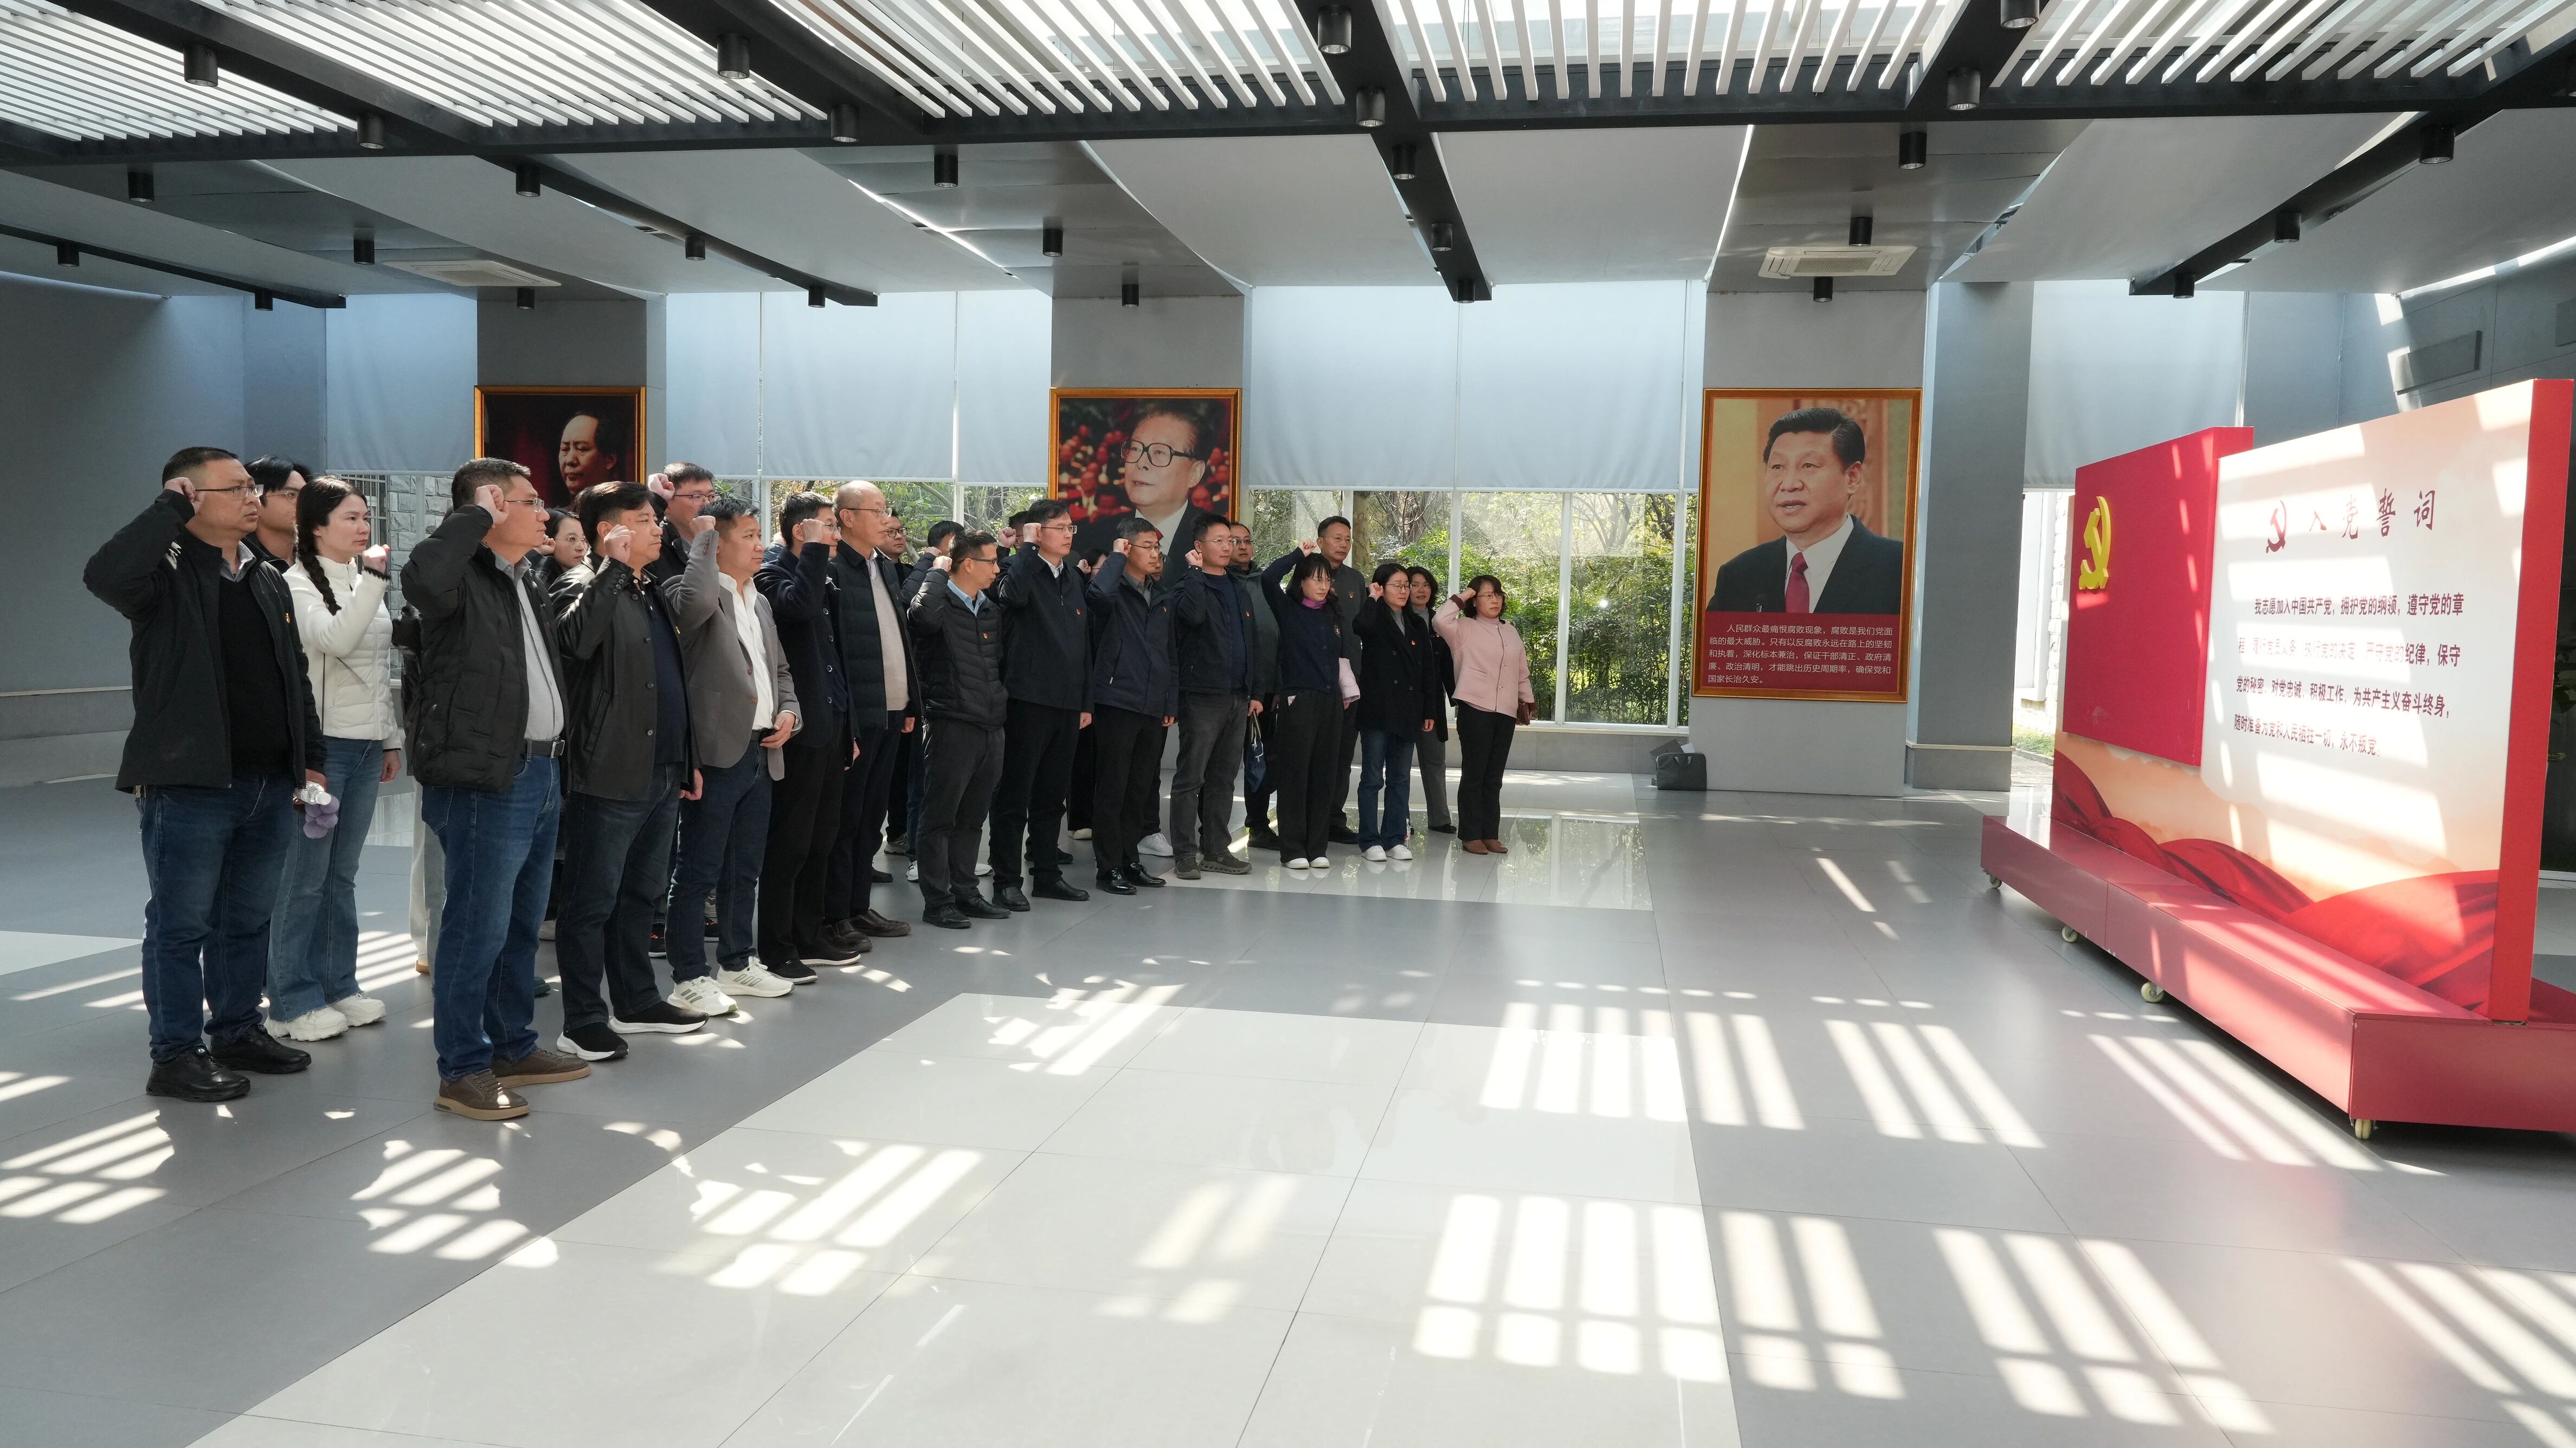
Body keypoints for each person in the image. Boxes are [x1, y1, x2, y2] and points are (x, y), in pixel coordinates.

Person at [86, 447, 327, 1102]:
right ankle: (174, 1054)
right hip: (192, 782)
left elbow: (294, 675)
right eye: (238, 488)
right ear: (191, 496)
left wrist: (310, 758)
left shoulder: (266, 576)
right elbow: (105, 573)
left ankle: (237, 1029)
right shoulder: (163, 574)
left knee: (247, 920)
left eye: (254, 487)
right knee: (180, 924)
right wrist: (167, 508)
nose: (254, 497)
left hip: (268, 780)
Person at [402, 458, 591, 1120]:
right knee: (475, 928)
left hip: (540, 770)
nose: (544, 511)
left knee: (518, 925)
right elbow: (422, 578)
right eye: (529, 501)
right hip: (486, 775)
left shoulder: (525, 577)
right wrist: (474, 515)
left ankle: (512, 1044)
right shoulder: (458, 576)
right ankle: (462, 1068)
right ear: (489, 506)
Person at [551, 480, 708, 1059]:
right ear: (608, 530)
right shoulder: (580, 582)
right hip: (609, 767)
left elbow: (673, 679)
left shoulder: (649, 588)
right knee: (592, 900)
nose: (657, 529)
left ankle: (637, 1000)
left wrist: (688, 757)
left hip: (662, 764)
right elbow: (574, 642)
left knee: (642, 894)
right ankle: (582, 1018)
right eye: (643, 520)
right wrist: (612, 569)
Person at [266, 477, 403, 1042]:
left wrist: (390, 737)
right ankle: (289, 1001)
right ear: (316, 527)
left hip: (366, 745)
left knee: (341, 877)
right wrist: (373, 579)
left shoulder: (361, 578)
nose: (363, 526)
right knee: (304, 877)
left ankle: (338, 984)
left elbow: (376, 668)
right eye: (350, 518)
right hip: (323, 750)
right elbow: (336, 640)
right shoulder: (295, 583)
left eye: (366, 517)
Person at [665, 496, 802, 1006]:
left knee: (745, 868)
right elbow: (693, 608)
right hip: (716, 753)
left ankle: (738, 962)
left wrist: (790, 712)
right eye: (748, 536)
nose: (760, 545)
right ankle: (688, 976)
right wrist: (700, 541)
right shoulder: (689, 590)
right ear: (717, 544)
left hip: (763, 748)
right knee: (698, 869)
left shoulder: (758, 600)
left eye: (759, 535)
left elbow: (779, 670)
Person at [756, 492, 855, 975]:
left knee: (821, 839)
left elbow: (835, 659)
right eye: (828, 526)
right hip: (795, 729)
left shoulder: (821, 574)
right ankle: (777, 946)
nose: (836, 535)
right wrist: (814, 553)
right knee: (790, 843)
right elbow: (798, 608)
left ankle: (809, 934)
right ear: (801, 531)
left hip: (829, 723)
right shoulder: (772, 574)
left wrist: (848, 726)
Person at [821, 482, 919, 946]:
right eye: (876, 511)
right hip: (857, 715)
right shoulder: (834, 569)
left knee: (871, 817)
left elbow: (899, 638)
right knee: (846, 819)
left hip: (892, 710)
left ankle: (859, 907)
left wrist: (911, 702)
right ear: (846, 517)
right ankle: (835, 913)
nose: (886, 519)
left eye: (885, 510)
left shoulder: (884, 567)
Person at [988, 499, 1092, 909]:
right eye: (1059, 528)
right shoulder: (1017, 569)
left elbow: (1083, 644)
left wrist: (1085, 701)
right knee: (1015, 795)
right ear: (1036, 531)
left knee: (1052, 796)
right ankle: (1006, 880)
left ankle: (1047, 875)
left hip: (1067, 702)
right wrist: (1026, 550)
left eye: (1071, 528)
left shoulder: (1072, 578)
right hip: (1027, 699)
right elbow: (1011, 598)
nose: (1068, 534)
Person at [1706, 406, 1905, 615]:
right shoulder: (1738, 576)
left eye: (1808, 465)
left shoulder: (1902, 569)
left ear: (1852, 478)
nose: (1789, 484)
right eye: (1777, 467)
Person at [906, 531, 1010, 928]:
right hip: (951, 723)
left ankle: (966, 892)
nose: (997, 569)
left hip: (990, 724)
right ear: (967, 564)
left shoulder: (989, 608)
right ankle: (938, 901)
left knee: (972, 817)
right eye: (991, 561)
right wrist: (936, 572)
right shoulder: (938, 602)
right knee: (940, 818)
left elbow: (995, 663)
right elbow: (922, 619)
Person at [1086, 518, 1178, 894]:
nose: (1156, 554)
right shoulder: (1112, 588)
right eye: (1147, 547)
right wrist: (1116, 560)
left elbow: (1170, 654)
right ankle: (1108, 867)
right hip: (1116, 700)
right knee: (1113, 787)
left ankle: (1130, 860)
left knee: (1140, 789)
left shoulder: (1162, 596)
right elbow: (1096, 598)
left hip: (1153, 703)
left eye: (1158, 547)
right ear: (1126, 548)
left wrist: (1170, 699)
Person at [1169, 514, 1257, 879]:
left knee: (1224, 778)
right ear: (1199, 547)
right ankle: (1185, 853)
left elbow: (1250, 641)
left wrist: (1253, 691)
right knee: (1191, 778)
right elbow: (1191, 617)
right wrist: (1194, 574)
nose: (1227, 547)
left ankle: (1216, 849)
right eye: (1219, 541)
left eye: (1230, 541)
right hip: (1202, 695)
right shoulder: (1187, 586)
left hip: (1238, 695)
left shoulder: (1238, 586)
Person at [1257, 544, 1351, 869]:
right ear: (1301, 581)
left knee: (1324, 774)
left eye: (1327, 579)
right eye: (1316, 579)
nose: (1324, 585)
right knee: (1295, 774)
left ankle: (1317, 847)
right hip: (1298, 699)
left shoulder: (1332, 613)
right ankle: (1293, 849)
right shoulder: (1288, 608)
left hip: (1330, 700)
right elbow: (1269, 578)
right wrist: (1299, 554)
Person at [1435, 575, 1535, 856]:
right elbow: (1440, 620)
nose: (1495, 600)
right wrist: (1465, 593)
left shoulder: (1510, 631)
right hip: (1475, 710)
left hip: (1505, 711)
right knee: (1475, 775)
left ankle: (1490, 833)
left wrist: (1527, 700)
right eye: (1487, 595)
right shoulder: (1463, 628)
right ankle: (1470, 835)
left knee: (1494, 777)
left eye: (1498, 594)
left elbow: (1521, 671)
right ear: (1474, 601)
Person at [1354, 561, 1436, 862]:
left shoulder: (1416, 623)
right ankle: (1369, 840)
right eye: (1397, 586)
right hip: (1378, 710)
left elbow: (1427, 670)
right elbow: (1360, 627)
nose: (1404, 591)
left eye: (1406, 586)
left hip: (1408, 710)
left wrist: (1429, 709)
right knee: (1373, 777)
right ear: (1381, 587)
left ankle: (1394, 837)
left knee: (1400, 778)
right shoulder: (1374, 616)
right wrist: (1371, 598)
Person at [1073, 403, 1226, 563]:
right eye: (1135, 449)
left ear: (1195, 474)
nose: (1141, 463)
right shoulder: (1091, 539)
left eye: (1160, 452)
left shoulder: (1219, 543)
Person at [1315, 516, 1369, 843]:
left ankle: (1334, 819)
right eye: (1337, 538)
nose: (1344, 544)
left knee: (1344, 753)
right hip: (1316, 680)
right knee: (1317, 752)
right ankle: (1311, 818)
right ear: (1320, 541)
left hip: (1352, 681)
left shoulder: (1355, 579)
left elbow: (1362, 628)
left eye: (1348, 539)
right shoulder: (1307, 573)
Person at [1407, 564, 1457, 835]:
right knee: (1401, 765)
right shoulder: (1397, 618)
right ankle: (1400, 820)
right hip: (1404, 702)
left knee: (1435, 762)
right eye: (1415, 584)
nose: (1421, 590)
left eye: (1426, 584)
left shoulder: (1440, 622)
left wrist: (1457, 697)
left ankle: (1440, 819)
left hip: (1433, 703)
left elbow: (1448, 663)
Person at [646, 463, 717, 585]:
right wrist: (657, 500)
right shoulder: (654, 546)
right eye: (696, 497)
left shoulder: (724, 540)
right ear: (668, 504)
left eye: (711, 496)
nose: (707, 504)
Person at [241, 455, 308, 570]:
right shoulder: (242, 564)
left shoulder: (316, 559)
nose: (303, 503)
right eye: (290, 495)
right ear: (255, 500)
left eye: (306, 496)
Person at [556, 410, 624, 501]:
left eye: (582, 449)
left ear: (610, 460)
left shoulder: (627, 508)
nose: (570, 460)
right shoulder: (548, 510)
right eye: (565, 449)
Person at [536, 507, 588, 592]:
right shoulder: (537, 582)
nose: (581, 548)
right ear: (548, 540)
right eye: (572, 539)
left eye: (584, 539)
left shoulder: (590, 580)